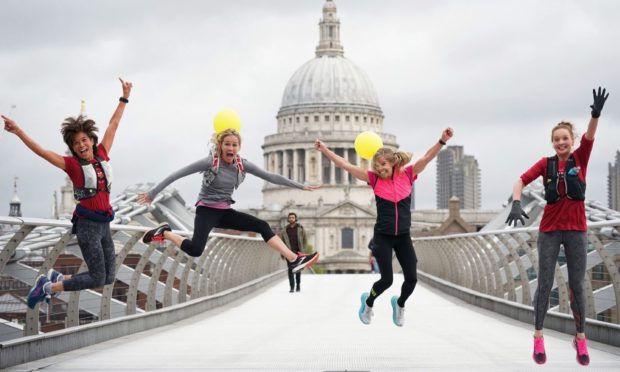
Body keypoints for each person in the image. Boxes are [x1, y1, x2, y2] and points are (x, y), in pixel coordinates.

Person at [2, 78, 133, 309]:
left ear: (92, 141)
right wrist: (18, 131)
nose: (81, 145)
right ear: (72, 148)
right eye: (75, 143)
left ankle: (58, 279)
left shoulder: (102, 153)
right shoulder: (72, 165)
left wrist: (124, 97)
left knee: (108, 277)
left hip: (104, 224)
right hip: (87, 226)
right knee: (96, 277)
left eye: (84, 140)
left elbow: (113, 124)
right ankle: (48, 288)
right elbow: (42, 152)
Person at [506, 87, 609, 366]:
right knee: (545, 282)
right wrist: (516, 203)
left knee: (577, 284)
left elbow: (590, 135)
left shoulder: (581, 157)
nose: (561, 143)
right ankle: (538, 336)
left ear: (571, 140)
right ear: (552, 142)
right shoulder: (546, 164)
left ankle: (580, 337)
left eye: (565, 139)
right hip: (550, 230)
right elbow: (520, 182)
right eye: (556, 139)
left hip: (576, 230)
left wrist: (595, 114)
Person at [315, 127, 453, 327]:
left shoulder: (408, 175)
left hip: (403, 236)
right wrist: (325, 150)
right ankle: (368, 303)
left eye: (383, 164)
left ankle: (399, 304)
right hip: (383, 236)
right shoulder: (374, 179)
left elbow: (427, 157)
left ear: (393, 162)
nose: (380, 169)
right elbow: (346, 165)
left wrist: (442, 140)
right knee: (386, 281)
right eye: (377, 166)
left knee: (412, 279)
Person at [137, 128, 319, 273]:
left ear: (238, 147)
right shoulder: (211, 162)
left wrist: (300, 186)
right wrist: (153, 193)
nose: (230, 148)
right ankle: (166, 232)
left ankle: (294, 259)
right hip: (206, 211)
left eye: (234, 145)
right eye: (227, 144)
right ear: (220, 145)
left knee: (263, 226)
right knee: (195, 250)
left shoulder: (242, 164)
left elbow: (271, 177)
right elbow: (177, 174)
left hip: (224, 212)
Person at [279, 212, 308, 292]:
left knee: (298, 269)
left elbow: (305, 240)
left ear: (295, 219)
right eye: (290, 217)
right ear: (288, 219)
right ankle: (292, 287)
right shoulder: (284, 230)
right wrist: (282, 253)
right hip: (289, 252)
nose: (291, 219)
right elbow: (281, 242)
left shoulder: (300, 228)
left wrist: (304, 251)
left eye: (293, 217)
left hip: (299, 252)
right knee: (290, 269)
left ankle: (298, 285)